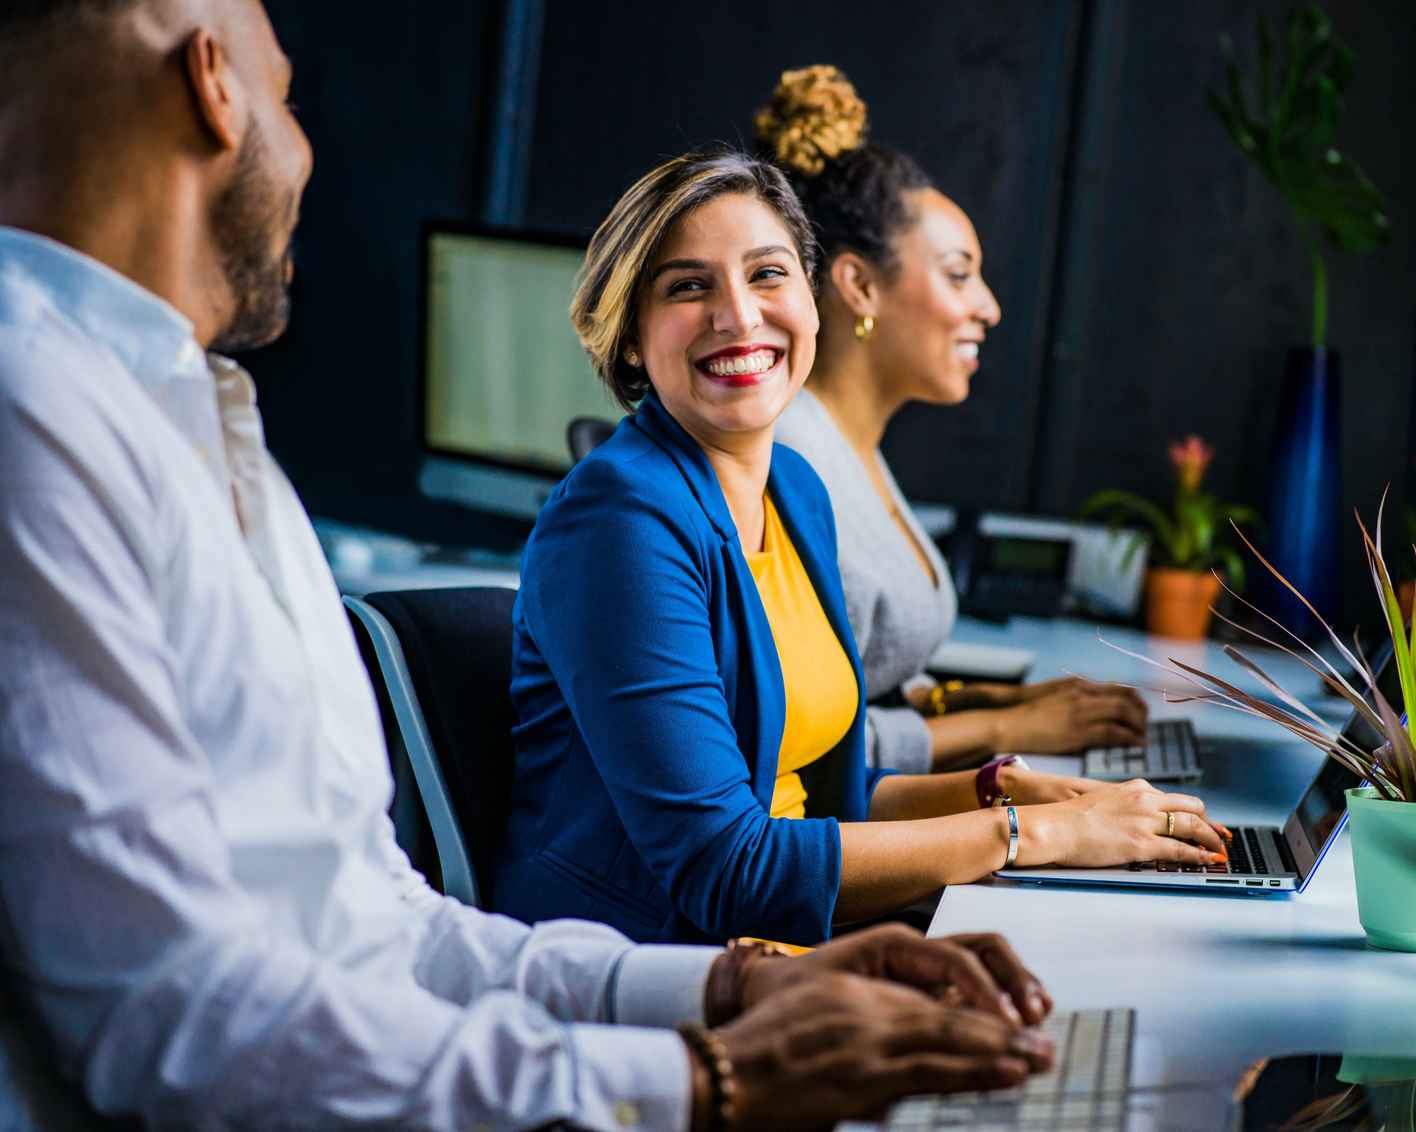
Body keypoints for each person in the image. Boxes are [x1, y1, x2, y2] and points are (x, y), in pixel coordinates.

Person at [0, 3, 1062, 1127]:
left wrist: (738, 989)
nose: (305, 150)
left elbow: (380, 928)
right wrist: (710, 1075)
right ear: (215, 86)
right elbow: (180, 1024)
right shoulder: (38, 413)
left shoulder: (198, 419)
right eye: (289, 96)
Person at [498, 148, 1230, 948]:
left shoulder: (797, 490)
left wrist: (1003, 793)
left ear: (813, 302)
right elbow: (725, 867)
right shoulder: (619, 521)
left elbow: (823, 801)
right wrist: (1035, 835)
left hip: (789, 943)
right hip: (652, 970)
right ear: (633, 338)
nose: (739, 316)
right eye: (687, 286)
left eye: (768, 274)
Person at [763, 65, 1152, 775]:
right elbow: (805, 750)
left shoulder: (851, 448)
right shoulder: (793, 463)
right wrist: (1006, 729)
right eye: (957, 273)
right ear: (858, 284)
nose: (989, 307)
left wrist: (989, 702)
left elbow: (865, 683)